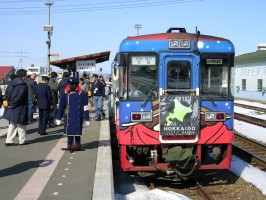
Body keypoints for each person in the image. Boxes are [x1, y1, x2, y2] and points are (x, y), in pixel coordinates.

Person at [55, 77, 90, 153]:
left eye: (73, 84)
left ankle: (77, 144)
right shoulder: (64, 93)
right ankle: (69, 144)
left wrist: (86, 118)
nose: (71, 86)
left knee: (77, 131)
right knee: (69, 130)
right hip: (68, 115)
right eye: (70, 84)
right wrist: (58, 117)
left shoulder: (83, 93)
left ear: (77, 84)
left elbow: (86, 107)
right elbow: (61, 106)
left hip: (78, 115)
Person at [3, 69, 28, 146]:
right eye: (26, 75)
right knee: (21, 124)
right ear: (23, 76)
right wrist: (13, 104)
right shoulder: (23, 85)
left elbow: (6, 94)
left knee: (12, 124)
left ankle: (9, 140)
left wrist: (8, 103)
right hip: (20, 107)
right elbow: (19, 97)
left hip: (10, 106)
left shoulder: (11, 83)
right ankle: (22, 140)